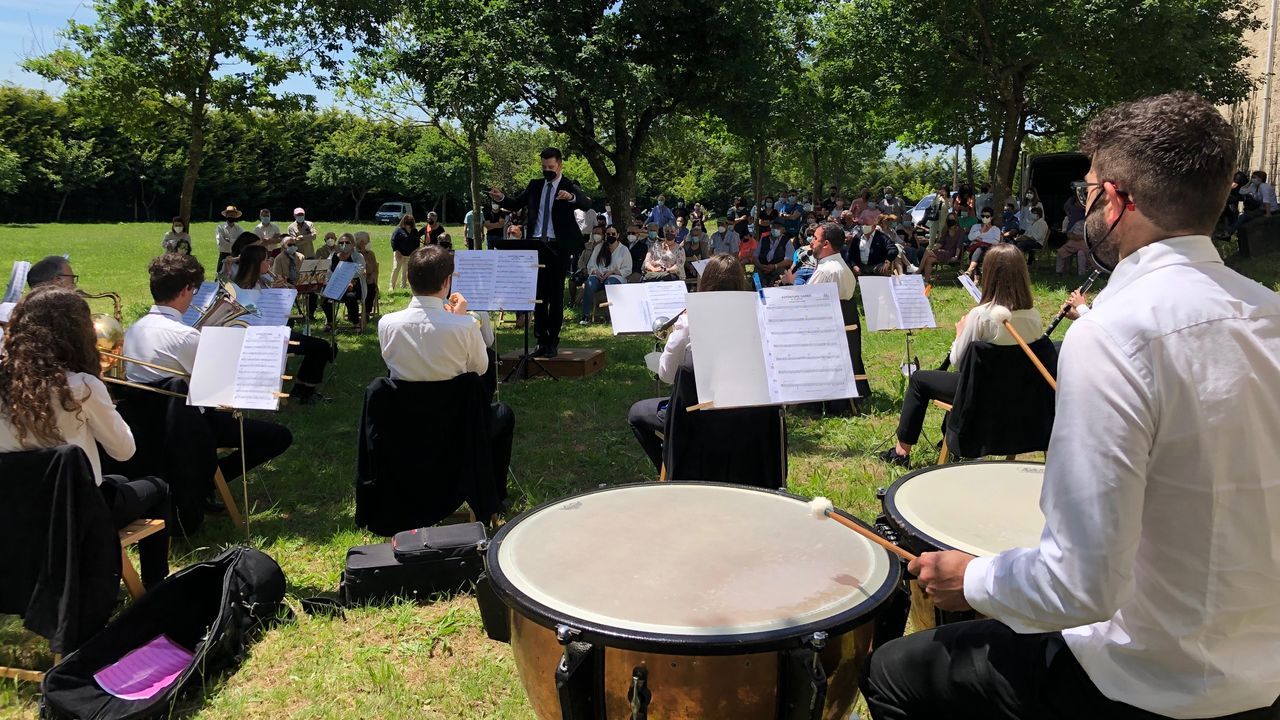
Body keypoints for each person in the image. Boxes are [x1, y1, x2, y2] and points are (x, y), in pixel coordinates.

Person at [866, 90, 1280, 720]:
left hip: (1143, 680)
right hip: (1263, 673)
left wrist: (970, 579)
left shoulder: (1116, 333)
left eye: (1086, 190)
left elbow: (1082, 588)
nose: (1083, 204)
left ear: (1114, 199)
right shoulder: (1270, 313)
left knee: (894, 672)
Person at [0, 287, 171, 588]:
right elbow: (124, 451)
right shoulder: (81, 386)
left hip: (15, 511)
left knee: (118, 481)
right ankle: (156, 587)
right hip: (75, 514)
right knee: (158, 487)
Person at [877, 243, 1042, 467]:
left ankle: (900, 453)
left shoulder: (980, 315)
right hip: (1018, 393)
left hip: (980, 394)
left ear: (989, 274)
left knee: (919, 380)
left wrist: (959, 334)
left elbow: (959, 362)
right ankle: (947, 437)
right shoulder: (1033, 315)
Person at [378, 245, 513, 506]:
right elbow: (481, 368)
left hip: (405, 423)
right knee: (504, 414)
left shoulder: (387, 324)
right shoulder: (465, 325)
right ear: (447, 282)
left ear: (409, 278)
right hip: (456, 424)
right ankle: (495, 494)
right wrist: (463, 321)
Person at [627, 254, 748, 470]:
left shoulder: (688, 321)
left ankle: (673, 471)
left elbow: (666, 375)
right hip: (744, 410)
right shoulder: (753, 317)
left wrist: (677, 333)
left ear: (706, 282)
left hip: (696, 412)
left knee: (636, 414)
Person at [489, 147, 592, 357]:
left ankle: (552, 341)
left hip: (558, 247)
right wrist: (501, 198)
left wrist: (571, 197)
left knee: (555, 295)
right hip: (535, 245)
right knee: (538, 295)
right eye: (544, 167)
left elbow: (586, 203)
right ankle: (540, 340)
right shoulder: (535, 185)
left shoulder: (568, 185)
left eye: (551, 167)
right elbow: (516, 203)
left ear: (560, 165)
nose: (547, 170)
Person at [232, 245, 333, 402]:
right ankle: (305, 391)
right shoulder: (244, 288)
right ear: (256, 263)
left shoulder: (262, 279)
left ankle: (302, 388)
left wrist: (282, 291)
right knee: (321, 347)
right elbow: (259, 315)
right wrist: (272, 293)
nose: (270, 263)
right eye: (267, 260)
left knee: (320, 346)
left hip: (274, 333)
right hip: (262, 339)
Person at [579, 227, 632, 324]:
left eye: (613, 234)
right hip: (599, 276)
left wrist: (612, 272)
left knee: (610, 283)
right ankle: (585, 315)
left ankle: (612, 316)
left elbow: (627, 269)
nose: (611, 236)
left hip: (615, 277)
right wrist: (596, 272)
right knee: (589, 284)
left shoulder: (623, 250)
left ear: (618, 235)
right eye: (608, 234)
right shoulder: (599, 247)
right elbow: (591, 265)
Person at [920, 215, 966, 283]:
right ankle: (926, 281)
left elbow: (959, 245)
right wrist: (933, 249)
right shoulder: (945, 230)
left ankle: (919, 270)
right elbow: (940, 243)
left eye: (953, 220)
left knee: (927, 252)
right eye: (949, 220)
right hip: (943, 252)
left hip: (951, 253)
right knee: (928, 260)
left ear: (956, 220)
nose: (951, 222)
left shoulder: (960, 231)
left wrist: (956, 256)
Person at [389, 214, 425, 292]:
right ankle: (391, 286)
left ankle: (403, 285)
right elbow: (393, 241)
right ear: (404, 222)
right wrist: (396, 250)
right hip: (399, 253)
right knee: (396, 268)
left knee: (405, 270)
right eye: (407, 223)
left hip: (410, 254)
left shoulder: (414, 231)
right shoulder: (398, 230)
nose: (408, 226)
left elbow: (417, 242)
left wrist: (416, 252)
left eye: (410, 224)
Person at [962, 207, 1001, 277]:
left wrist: (981, 240)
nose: (985, 218)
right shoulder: (976, 226)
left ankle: (970, 271)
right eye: (983, 216)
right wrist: (981, 231)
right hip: (975, 250)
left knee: (980, 248)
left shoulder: (995, 229)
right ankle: (974, 275)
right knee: (979, 250)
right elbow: (970, 237)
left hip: (990, 250)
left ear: (991, 217)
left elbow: (996, 242)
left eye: (987, 216)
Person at [355, 231, 379, 318]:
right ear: (361, 242)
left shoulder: (371, 254)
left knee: (371, 288)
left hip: (369, 280)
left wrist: (372, 276)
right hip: (357, 281)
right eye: (367, 241)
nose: (369, 243)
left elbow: (373, 269)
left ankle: (367, 313)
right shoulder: (355, 254)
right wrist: (363, 254)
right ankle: (353, 313)